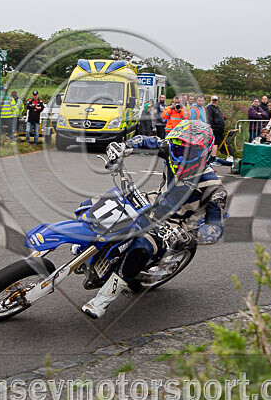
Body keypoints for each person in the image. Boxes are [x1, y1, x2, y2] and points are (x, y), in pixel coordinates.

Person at [81, 120, 226, 319]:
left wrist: (188, 236)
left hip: (173, 225)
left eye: (188, 151)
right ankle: (84, 246)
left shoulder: (214, 188)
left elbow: (215, 229)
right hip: (150, 201)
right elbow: (148, 141)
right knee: (94, 204)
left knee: (141, 247)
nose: (180, 154)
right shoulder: (171, 149)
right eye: (178, 148)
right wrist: (124, 147)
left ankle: (103, 299)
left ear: (202, 153)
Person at [205, 95, 227, 164]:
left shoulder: (217, 108)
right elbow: (209, 118)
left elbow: (219, 116)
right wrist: (212, 127)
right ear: (211, 100)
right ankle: (212, 157)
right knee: (214, 143)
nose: (214, 102)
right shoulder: (209, 108)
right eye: (213, 100)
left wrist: (222, 118)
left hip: (219, 129)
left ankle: (213, 157)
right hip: (214, 128)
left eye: (215, 100)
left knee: (216, 143)